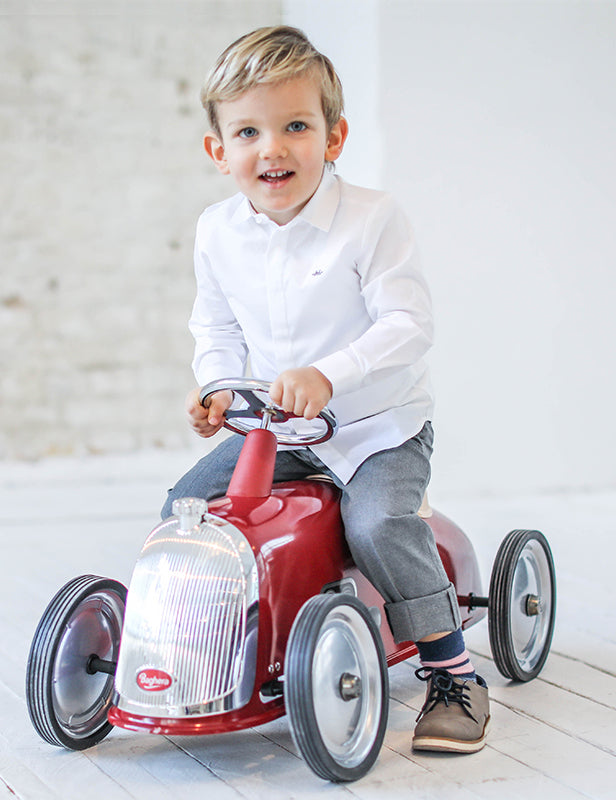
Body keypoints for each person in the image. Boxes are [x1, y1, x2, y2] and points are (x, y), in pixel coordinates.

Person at [162, 25, 489, 754]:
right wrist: (215, 387)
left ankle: (452, 671)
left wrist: (329, 374)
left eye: (296, 126)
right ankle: (223, 649)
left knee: (376, 525)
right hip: (277, 431)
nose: (272, 149)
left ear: (334, 137)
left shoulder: (371, 219)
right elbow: (215, 326)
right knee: (189, 513)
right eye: (248, 132)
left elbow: (408, 324)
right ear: (219, 151)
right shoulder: (217, 232)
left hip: (377, 428)